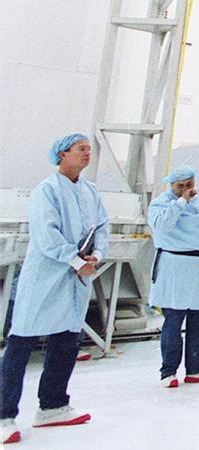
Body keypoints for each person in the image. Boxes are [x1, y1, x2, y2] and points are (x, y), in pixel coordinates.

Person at [1, 134, 107, 442]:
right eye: (81, 149)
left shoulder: (90, 191)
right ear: (62, 154)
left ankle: (53, 406)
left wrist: (97, 255)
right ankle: (4, 415)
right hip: (45, 277)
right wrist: (75, 260)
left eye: (89, 149)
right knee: (21, 342)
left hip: (75, 279)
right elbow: (47, 235)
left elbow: (103, 226)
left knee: (66, 340)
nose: (87, 154)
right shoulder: (46, 191)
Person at [148, 164, 199, 388]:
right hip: (177, 269)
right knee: (174, 320)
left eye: (190, 185)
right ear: (171, 185)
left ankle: (197, 367)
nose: (186, 189)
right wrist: (181, 202)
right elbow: (162, 225)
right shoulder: (161, 203)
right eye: (180, 186)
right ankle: (168, 371)